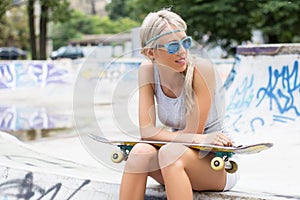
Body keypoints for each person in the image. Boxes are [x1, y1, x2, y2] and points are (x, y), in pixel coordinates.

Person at [119, 8, 239, 200]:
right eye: (173, 46)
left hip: (216, 162)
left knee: (169, 154)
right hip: (177, 154)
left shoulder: (201, 69)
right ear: (151, 53)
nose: (183, 51)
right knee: (139, 152)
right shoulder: (147, 71)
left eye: (186, 42)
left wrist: (196, 139)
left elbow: (195, 134)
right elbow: (147, 132)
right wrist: (196, 139)